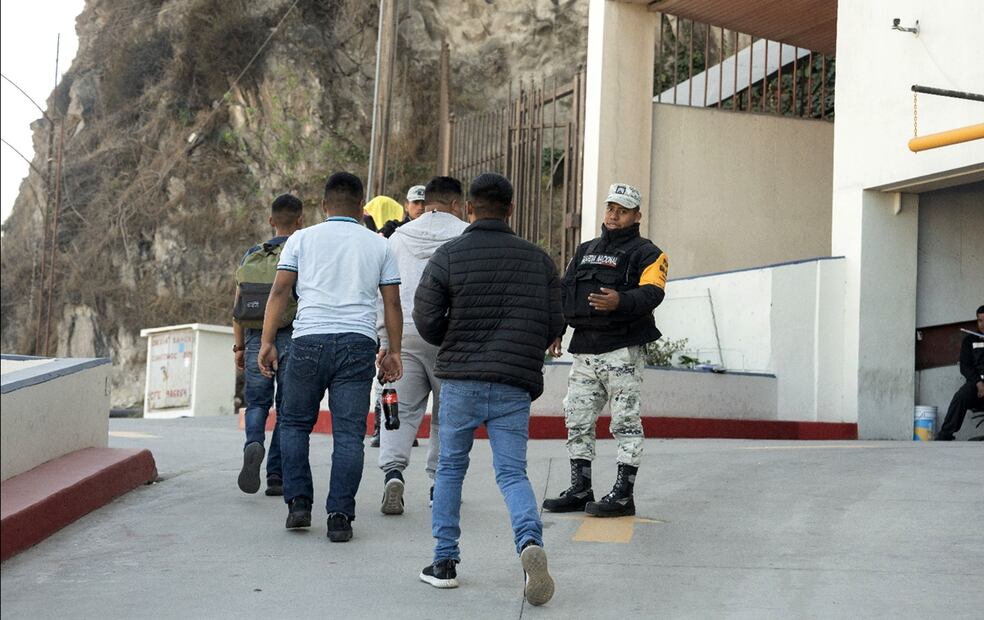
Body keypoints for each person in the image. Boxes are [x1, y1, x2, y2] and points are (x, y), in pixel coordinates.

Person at [413, 173, 562, 606]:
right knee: (512, 473)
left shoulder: (449, 254)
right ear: (511, 209)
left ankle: (444, 563)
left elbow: (426, 318)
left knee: (449, 470)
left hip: (460, 379)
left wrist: (453, 338)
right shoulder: (538, 260)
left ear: (469, 209)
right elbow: (555, 321)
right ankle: (529, 543)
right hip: (513, 383)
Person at [258, 172, 404, 542]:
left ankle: (299, 505)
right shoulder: (379, 244)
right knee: (349, 436)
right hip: (357, 343)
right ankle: (339, 515)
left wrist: (266, 342)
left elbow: (279, 293)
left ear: (324, 206)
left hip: (306, 340)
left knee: (293, 425)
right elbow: (392, 302)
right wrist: (395, 351)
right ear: (361, 207)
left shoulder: (301, 239)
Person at [542, 182, 668, 518]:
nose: (614, 215)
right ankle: (580, 487)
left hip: (622, 350)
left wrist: (620, 301)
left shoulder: (649, 253)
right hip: (584, 349)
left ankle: (624, 495)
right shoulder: (585, 250)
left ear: (636, 215)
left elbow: (654, 294)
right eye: (611, 208)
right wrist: (557, 328)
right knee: (577, 418)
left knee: (625, 422)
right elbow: (566, 291)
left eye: (622, 210)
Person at [377, 177, 468, 515]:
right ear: (457, 204)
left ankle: (393, 472)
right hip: (450, 338)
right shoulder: (465, 236)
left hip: (406, 335)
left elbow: (383, 293)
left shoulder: (397, 238)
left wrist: (386, 342)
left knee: (398, 409)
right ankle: (438, 487)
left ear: (424, 202)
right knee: (448, 416)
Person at [233, 194, 303, 496]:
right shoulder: (302, 251)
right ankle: (276, 475)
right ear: (300, 221)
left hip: (254, 336)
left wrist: (238, 347)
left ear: (271, 221)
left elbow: (237, 304)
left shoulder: (253, 253)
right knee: (286, 410)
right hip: (291, 335)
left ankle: (253, 443)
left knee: (258, 403)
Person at [370, 184, 428, 447]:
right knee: (384, 377)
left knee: (409, 387)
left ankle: (404, 432)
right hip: (394, 310)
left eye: (423, 203)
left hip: (418, 315)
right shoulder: (393, 232)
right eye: (415, 203)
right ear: (407, 205)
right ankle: (380, 427)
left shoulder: (432, 233)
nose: (420, 208)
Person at [936, 305, 984, 441]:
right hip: (977, 385)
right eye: (980, 320)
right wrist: (979, 383)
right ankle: (945, 434)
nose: (983, 324)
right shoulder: (969, 341)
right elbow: (965, 366)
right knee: (961, 396)